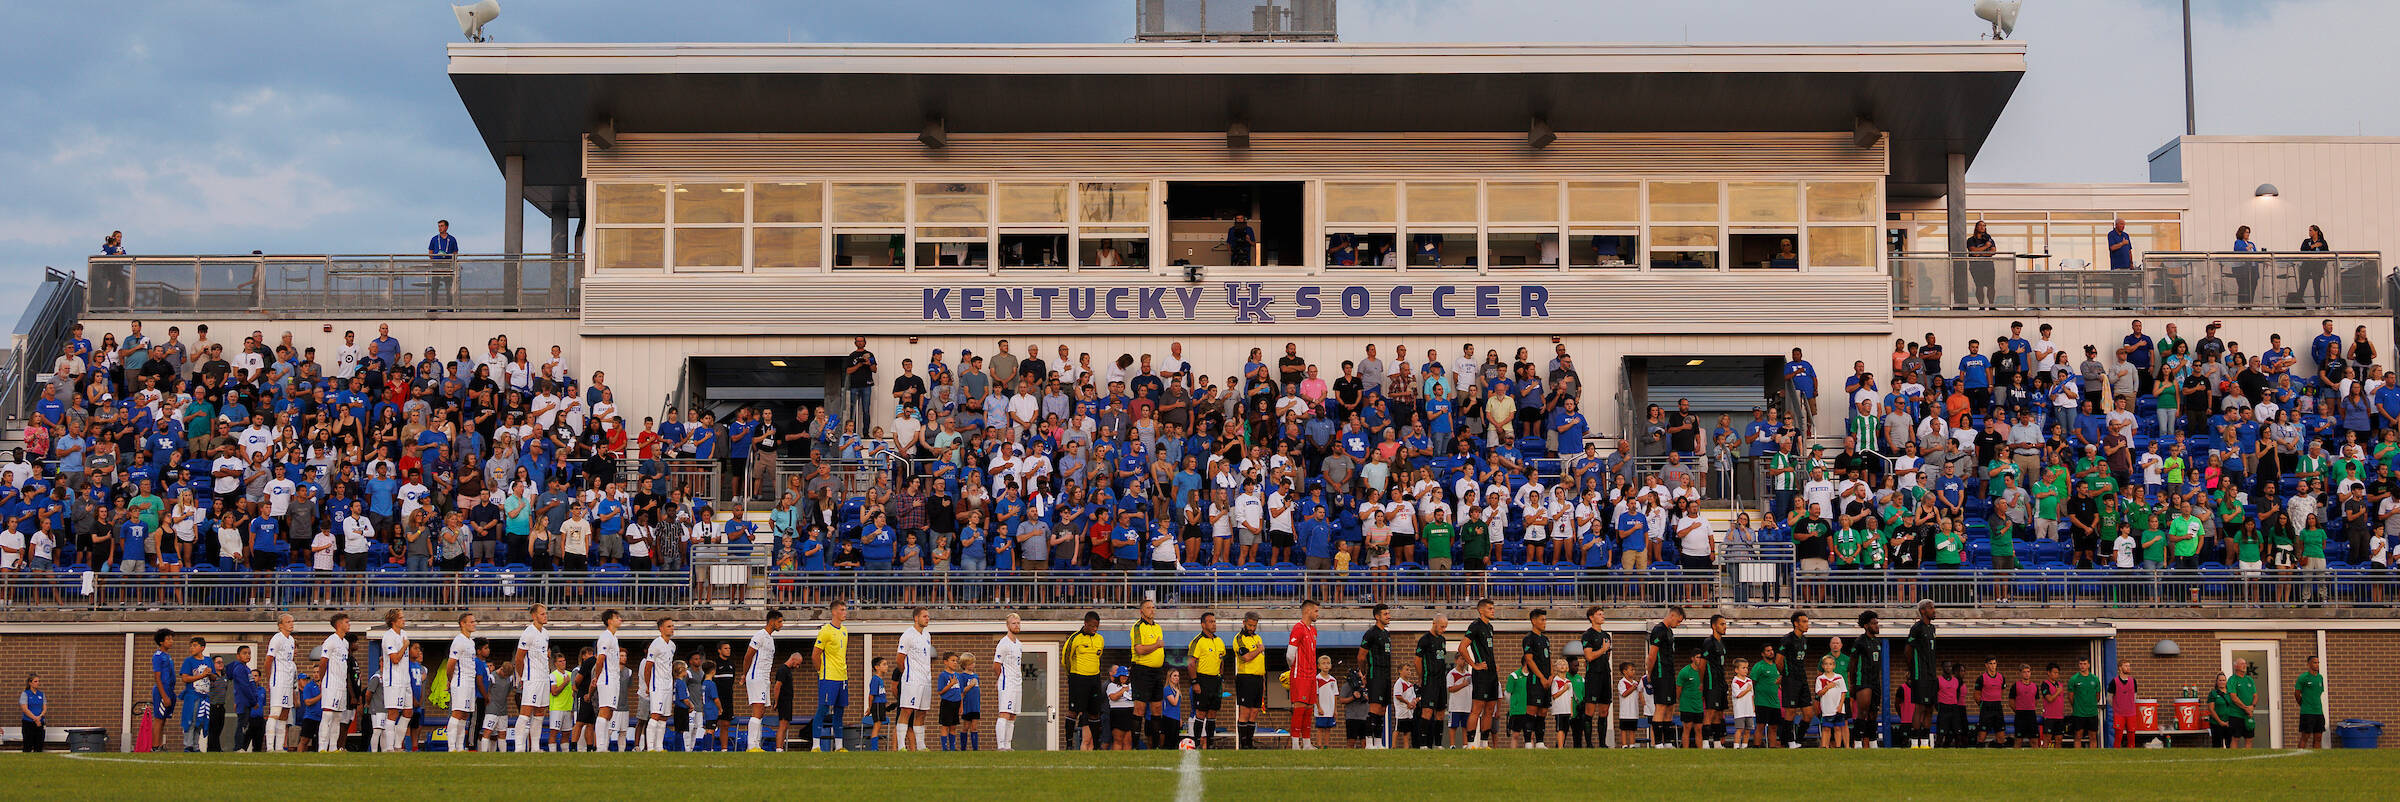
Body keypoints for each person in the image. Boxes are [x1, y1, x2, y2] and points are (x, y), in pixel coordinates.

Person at [740, 609, 782, 752]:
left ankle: (756, 744)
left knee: (762, 710)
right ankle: (751, 745)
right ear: (772, 621)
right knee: (757, 709)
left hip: (764, 678)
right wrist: (744, 674)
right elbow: (748, 656)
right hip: (756, 675)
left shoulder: (770, 638)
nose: (781, 625)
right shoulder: (760, 635)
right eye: (780, 621)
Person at [512, 603, 552, 753]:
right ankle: (519, 748)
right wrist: (523, 676)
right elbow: (518, 658)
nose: (545, 616)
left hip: (544, 678)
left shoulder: (546, 633)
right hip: (532, 679)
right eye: (542, 614)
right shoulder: (528, 633)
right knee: (525, 713)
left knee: (540, 713)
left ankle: (535, 747)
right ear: (534, 616)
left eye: (545, 613)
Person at [812, 600, 851, 752]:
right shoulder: (825, 631)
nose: (845, 612)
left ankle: (839, 747)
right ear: (834, 612)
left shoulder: (844, 631)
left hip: (842, 677)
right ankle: (816, 745)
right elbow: (815, 654)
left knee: (840, 711)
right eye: (842, 610)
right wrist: (820, 671)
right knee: (823, 709)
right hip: (828, 677)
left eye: (845, 609)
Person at [1065, 612, 1107, 750]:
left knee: (1094, 713)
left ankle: (1096, 746)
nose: (1095, 629)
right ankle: (1069, 744)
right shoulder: (1075, 638)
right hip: (1078, 678)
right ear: (1085, 624)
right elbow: (1066, 659)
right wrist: (1072, 675)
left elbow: (1098, 657)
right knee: (1074, 711)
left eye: (1097, 626)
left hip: (1094, 679)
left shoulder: (1100, 639)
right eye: (1092, 626)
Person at [895, 606, 934, 751]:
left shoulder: (927, 635)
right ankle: (901, 746)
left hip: (926, 680)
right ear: (916, 618)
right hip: (912, 680)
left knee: (922, 712)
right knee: (907, 710)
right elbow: (899, 659)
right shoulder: (907, 635)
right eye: (924, 616)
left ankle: (921, 745)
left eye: (928, 616)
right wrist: (908, 675)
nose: (927, 619)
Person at [1645, 605, 1684, 749]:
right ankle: (1658, 743)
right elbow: (1652, 655)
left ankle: (1667, 741)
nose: (1678, 624)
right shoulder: (1658, 630)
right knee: (1660, 707)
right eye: (1678, 621)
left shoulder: (1669, 631)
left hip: (1669, 673)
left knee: (1670, 707)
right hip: (1660, 673)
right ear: (1672, 615)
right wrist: (1650, 673)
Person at [1902, 600, 1938, 748]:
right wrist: (1911, 670)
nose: (1934, 610)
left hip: (1931, 674)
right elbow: (1908, 651)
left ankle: (1924, 742)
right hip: (1919, 673)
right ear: (1923, 611)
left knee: (1929, 707)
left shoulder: (1932, 628)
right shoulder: (1917, 628)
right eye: (1931, 608)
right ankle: (1914, 742)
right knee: (1920, 707)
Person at [315, 613, 352, 752]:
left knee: (338, 717)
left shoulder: (345, 643)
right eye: (347, 622)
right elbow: (323, 662)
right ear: (339, 624)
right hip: (330, 684)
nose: (349, 624)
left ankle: (333, 747)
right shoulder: (330, 641)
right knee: (328, 715)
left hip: (341, 685)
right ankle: (322, 748)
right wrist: (323, 680)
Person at [444, 613, 480, 753]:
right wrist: (450, 679)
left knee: (465, 714)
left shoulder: (470, 642)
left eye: (474, 621)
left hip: (470, 682)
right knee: (457, 713)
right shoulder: (458, 641)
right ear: (462, 624)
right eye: (471, 622)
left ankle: (460, 746)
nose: (474, 624)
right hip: (461, 681)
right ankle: (451, 747)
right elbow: (451, 663)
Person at [1288, 599, 1321, 749]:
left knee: (1308, 709)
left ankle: (1307, 743)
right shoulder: (1298, 628)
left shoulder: (1313, 630)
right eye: (1316, 611)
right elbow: (1290, 654)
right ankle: (1295, 744)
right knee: (1300, 708)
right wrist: (1295, 669)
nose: (1317, 614)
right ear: (1307, 611)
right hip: (1300, 675)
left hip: (1310, 675)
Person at [643, 618, 678, 753]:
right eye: (669, 626)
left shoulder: (672, 645)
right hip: (657, 684)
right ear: (661, 629)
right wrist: (648, 684)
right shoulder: (655, 644)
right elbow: (648, 666)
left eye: (672, 626)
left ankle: (659, 747)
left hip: (668, 684)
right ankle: (650, 747)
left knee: (664, 716)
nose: (672, 628)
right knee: (655, 714)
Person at [2065, 657, 2101, 749]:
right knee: (2078, 736)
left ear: (2088, 665)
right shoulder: (2074, 679)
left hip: (2092, 713)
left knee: (2093, 737)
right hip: (2079, 713)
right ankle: (2078, 756)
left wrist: (2091, 704)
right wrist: (2077, 706)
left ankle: (2093, 757)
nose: (2082, 666)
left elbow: (2098, 696)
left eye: (2084, 664)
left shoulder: (2095, 679)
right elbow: (2070, 697)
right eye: (2081, 664)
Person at [1815, 654, 1849, 749]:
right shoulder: (1820, 679)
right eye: (1825, 664)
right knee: (1826, 728)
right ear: (1822, 666)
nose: (1828, 666)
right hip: (1827, 708)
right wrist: (1827, 687)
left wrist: (1840, 705)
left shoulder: (1839, 677)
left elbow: (1843, 692)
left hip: (1838, 708)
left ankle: (1838, 746)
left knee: (1838, 728)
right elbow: (1819, 693)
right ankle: (1825, 746)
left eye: (1830, 664)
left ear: (1834, 666)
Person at [2295, 655, 2326, 749]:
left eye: (2318, 663)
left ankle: (2316, 757)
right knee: (2305, 736)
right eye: (2314, 662)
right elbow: (2297, 694)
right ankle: (2299, 756)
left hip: (2318, 712)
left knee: (2318, 737)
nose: (2317, 665)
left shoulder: (2320, 678)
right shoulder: (2303, 677)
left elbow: (2319, 692)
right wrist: (2302, 704)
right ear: (2308, 664)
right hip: (2307, 712)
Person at [19, 673, 46, 753]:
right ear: (30, 683)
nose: (38, 683)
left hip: (40, 723)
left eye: (38, 681)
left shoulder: (41, 694)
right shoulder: (25, 694)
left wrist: (40, 717)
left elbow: (44, 708)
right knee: (28, 746)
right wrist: (35, 719)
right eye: (35, 681)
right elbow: (24, 709)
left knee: (39, 746)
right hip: (28, 723)